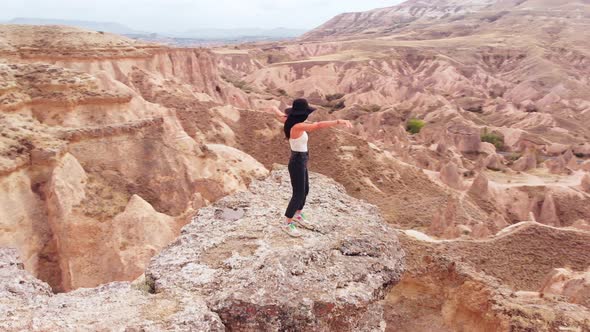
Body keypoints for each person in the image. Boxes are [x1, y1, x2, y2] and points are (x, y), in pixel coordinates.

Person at [272, 98, 352, 237]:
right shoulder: (297, 126)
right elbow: (317, 125)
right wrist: (339, 121)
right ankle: (287, 222)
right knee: (298, 194)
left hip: (301, 159)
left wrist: (273, 108)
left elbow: (280, 115)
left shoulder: (289, 121)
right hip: (297, 160)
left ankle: (298, 215)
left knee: (305, 190)